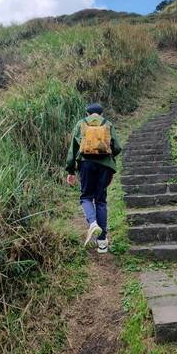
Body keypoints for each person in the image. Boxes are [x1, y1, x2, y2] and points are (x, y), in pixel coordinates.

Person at [66, 103, 122, 253]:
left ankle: (92, 223)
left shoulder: (81, 123)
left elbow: (74, 148)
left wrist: (70, 170)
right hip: (105, 166)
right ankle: (102, 242)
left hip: (86, 164)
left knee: (85, 197)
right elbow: (117, 147)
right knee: (101, 200)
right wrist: (108, 159)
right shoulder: (107, 123)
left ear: (87, 113)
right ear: (101, 113)